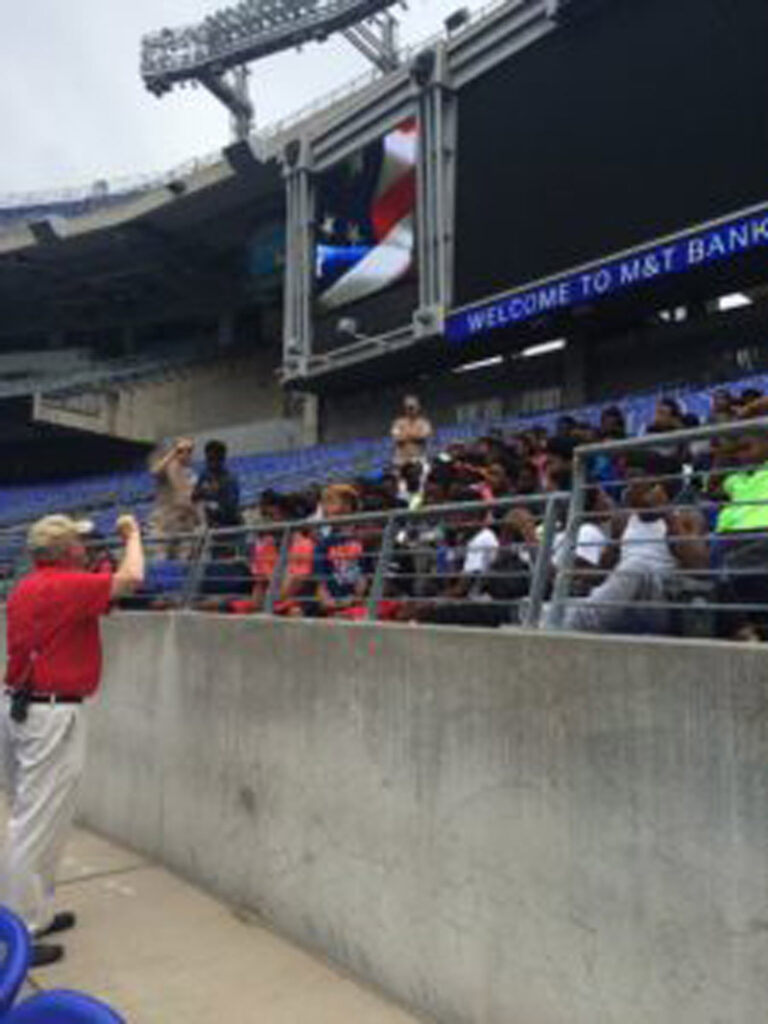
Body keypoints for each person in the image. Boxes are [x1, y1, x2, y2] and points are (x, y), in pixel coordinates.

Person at [2, 513, 144, 966]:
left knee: (42, 818)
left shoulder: (30, 585)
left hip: (27, 706)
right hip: (50, 712)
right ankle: (18, 931)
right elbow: (133, 578)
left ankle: (36, 914)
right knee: (35, 824)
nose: (86, 547)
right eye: (78, 543)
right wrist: (132, 536)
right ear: (64, 551)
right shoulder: (65, 584)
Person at [149, 438, 201, 557]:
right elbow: (155, 471)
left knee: (184, 565)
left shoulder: (192, 474)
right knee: (161, 562)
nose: (186, 454)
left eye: (189, 450)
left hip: (186, 526)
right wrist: (173, 453)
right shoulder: (167, 469)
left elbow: (193, 499)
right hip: (164, 526)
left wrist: (197, 519)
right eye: (181, 450)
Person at [192, 440, 242, 531]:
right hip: (212, 527)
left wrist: (218, 492)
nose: (211, 463)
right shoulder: (205, 474)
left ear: (222, 459)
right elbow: (195, 496)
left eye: (215, 459)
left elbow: (231, 508)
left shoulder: (229, 478)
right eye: (209, 459)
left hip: (231, 528)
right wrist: (203, 492)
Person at [391, 395, 433, 468]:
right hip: (401, 460)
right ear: (405, 409)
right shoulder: (397, 423)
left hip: (419, 459)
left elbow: (424, 436)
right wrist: (415, 435)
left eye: (412, 408)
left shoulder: (424, 423)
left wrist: (406, 434)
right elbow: (397, 438)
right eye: (408, 408)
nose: (410, 410)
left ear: (418, 408)